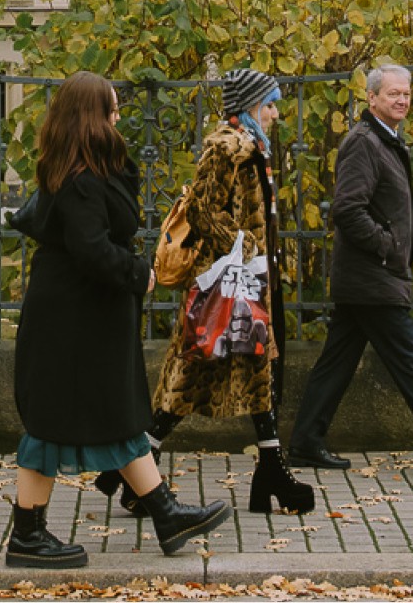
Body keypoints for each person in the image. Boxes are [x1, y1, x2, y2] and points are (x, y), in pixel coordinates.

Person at [4, 72, 229, 567]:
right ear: (92, 117)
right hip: (71, 321)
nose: (120, 116)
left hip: (88, 317)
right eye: (112, 110)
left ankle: (167, 516)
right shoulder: (80, 180)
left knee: (118, 415)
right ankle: (27, 535)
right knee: (50, 424)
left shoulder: (86, 170)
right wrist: (140, 274)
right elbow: (90, 248)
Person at [102, 68, 314, 518]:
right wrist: (242, 245)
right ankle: (135, 465)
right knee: (197, 369)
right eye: (270, 104)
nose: (276, 114)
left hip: (248, 276)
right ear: (251, 106)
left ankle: (269, 469)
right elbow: (201, 207)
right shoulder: (226, 146)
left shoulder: (254, 147)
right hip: (225, 280)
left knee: (253, 366)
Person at [288, 63, 413, 475]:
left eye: (406, 94)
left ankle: (305, 443)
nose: (401, 100)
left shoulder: (386, 140)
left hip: (369, 277)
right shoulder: (364, 142)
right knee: (411, 365)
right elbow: (347, 208)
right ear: (372, 99)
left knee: (336, 363)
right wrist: (387, 246)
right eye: (392, 94)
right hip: (372, 278)